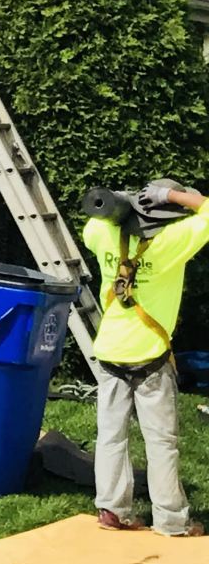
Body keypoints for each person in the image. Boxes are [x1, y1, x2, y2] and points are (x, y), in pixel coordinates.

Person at [79, 179, 209, 537]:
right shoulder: (172, 242)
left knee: (111, 436)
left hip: (109, 351)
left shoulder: (103, 235)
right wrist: (174, 197)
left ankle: (112, 509)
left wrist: (127, 202)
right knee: (161, 442)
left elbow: (96, 221)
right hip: (150, 354)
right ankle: (171, 520)